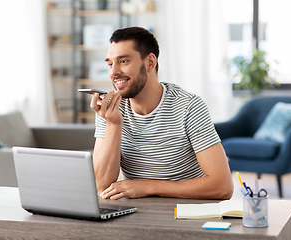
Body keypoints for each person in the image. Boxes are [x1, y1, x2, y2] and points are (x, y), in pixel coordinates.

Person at [89, 27, 233, 200]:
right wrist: (113, 124)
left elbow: (222, 186)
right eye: (110, 64)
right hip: (136, 215)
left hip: (187, 211)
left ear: (150, 62)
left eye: (124, 61)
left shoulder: (189, 106)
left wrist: (148, 186)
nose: (113, 72)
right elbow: (101, 185)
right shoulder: (110, 109)